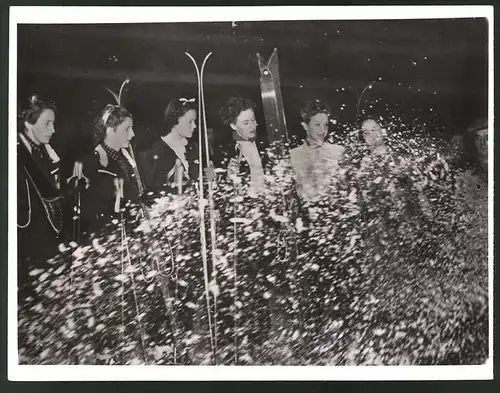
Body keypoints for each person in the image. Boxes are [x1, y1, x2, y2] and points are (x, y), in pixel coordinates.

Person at [17, 95, 65, 301]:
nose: (52, 130)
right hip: (23, 248)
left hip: (45, 247)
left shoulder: (47, 153)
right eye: (47, 123)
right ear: (28, 122)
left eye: (53, 123)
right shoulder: (15, 153)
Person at [79, 104, 141, 237]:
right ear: (110, 130)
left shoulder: (127, 158)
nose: (132, 134)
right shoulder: (94, 163)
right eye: (127, 129)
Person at [139, 98, 199, 196]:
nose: (194, 126)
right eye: (190, 121)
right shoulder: (156, 150)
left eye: (195, 121)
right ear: (175, 120)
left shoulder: (193, 147)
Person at [289, 100, 345, 202]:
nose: (323, 130)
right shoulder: (293, 156)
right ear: (305, 126)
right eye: (317, 125)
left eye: (326, 124)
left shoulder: (338, 151)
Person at [219, 96, 266, 198]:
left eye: (253, 120)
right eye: (246, 123)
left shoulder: (265, 143)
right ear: (233, 125)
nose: (252, 126)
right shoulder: (226, 151)